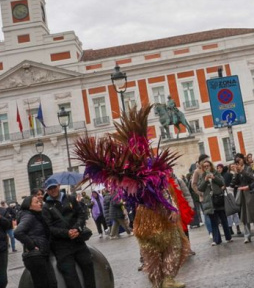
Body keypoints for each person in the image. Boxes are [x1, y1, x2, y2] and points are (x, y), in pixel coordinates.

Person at [76, 105, 189, 288]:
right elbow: (161, 192)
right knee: (172, 245)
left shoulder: (127, 172)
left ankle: (159, 282)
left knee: (152, 250)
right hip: (157, 215)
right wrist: (171, 208)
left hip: (143, 217)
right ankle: (166, 279)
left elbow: (151, 191)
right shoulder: (149, 169)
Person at [42, 178, 96, 288]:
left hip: (77, 241)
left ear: (59, 185)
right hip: (61, 245)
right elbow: (49, 228)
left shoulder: (70, 198)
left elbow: (81, 214)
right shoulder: (46, 207)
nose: (53, 190)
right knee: (69, 273)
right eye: (50, 189)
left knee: (88, 264)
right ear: (46, 191)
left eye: (54, 187)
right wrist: (67, 233)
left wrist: (77, 229)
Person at [15, 196, 57, 288]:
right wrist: (32, 246)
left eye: (39, 201)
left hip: (41, 255)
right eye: (36, 202)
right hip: (36, 256)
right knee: (44, 284)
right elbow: (18, 232)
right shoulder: (28, 216)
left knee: (50, 283)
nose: (40, 203)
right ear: (29, 206)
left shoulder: (35, 215)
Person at [231, 154, 254, 243]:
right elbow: (234, 183)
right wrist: (236, 173)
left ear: (243, 159)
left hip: (251, 193)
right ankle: (247, 236)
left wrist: (242, 171)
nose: (238, 162)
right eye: (237, 160)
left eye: (240, 159)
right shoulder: (237, 170)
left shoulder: (248, 167)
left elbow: (251, 178)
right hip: (242, 195)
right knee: (245, 216)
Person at [197, 160, 232, 246]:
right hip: (209, 201)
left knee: (223, 219)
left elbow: (222, 182)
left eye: (208, 165)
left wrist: (214, 178)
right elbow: (200, 188)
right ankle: (217, 240)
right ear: (203, 168)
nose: (206, 167)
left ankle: (228, 237)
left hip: (218, 199)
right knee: (213, 221)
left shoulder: (216, 173)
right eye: (204, 166)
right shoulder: (202, 176)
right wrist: (205, 180)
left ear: (210, 166)